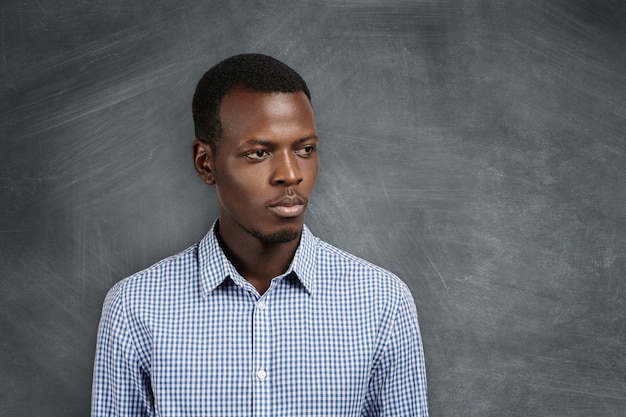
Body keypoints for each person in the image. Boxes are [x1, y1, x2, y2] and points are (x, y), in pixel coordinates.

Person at [91, 53, 429, 416]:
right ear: (206, 163)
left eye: (305, 149)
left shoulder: (382, 303)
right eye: (258, 153)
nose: (290, 174)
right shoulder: (134, 309)